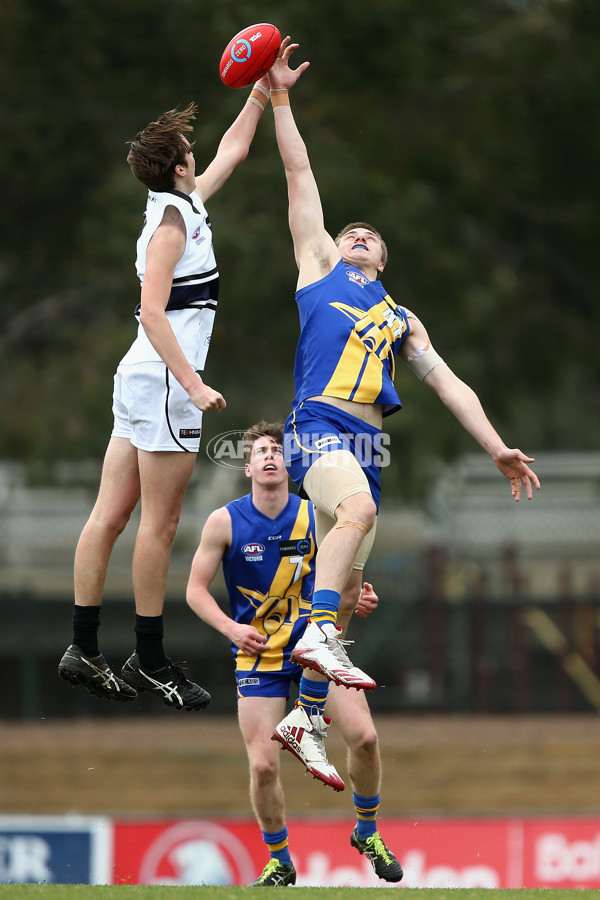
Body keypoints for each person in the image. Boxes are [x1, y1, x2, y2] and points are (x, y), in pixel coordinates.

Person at [263, 41, 541, 767]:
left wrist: (496, 446)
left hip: (366, 448)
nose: (357, 236)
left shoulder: (401, 317)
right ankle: (313, 635)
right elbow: (299, 172)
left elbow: (450, 385)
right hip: (317, 426)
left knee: (350, 588)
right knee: (356, 519)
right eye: (352, 230)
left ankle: (306, 720)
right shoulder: (319, 268)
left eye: (371, 238)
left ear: (383, 261)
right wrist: (282, 100)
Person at [58, 78, 275, 710]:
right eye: (190, 148)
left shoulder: (183, 203)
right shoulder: (172, 226)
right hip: (162, 383)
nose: (199, 153)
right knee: (160, 523)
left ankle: (83, 646)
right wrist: (195, 385)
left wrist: (264, 93)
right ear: (181, 166)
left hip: (143, 379)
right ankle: (149, 660)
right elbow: (153, 313)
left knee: (113, 514)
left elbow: (233, 149)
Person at [186, 421, 403, 886]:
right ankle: (280, 860)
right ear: (247, 466)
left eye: (278, 451)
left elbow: (345, 581)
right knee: (263, 765)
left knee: (365, 737)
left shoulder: (315, 514)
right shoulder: (224, 521)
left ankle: (367, 831)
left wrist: (358, 597)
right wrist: (231, 627)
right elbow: (194, 591)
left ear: (292, 464)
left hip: (313, 650)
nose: (270, 457)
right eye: (260, 451)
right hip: (258, 653)